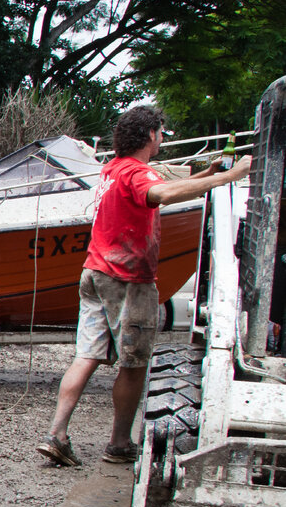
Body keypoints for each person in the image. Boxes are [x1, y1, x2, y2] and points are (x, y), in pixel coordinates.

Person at [41, 106, 252, 466]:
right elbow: (161, 195)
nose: (162, 138)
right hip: (127, 279)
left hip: (94, 272)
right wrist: (228, 177)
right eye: (160, 133)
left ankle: (56, 434)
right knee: (134, 362)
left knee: (87, 355)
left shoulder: (113, 170)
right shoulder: (137, 174)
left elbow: (160, 186)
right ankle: (120, 443)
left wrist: (205, 173)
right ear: (151, 135)